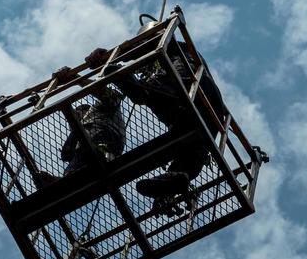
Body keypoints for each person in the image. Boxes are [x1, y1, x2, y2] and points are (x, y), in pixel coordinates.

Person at [85, 39, 225, 201]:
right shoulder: (179, 61)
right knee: (193, 148)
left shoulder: (174, 49)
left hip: (185, 85)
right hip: (208, 113)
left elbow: (148, 43)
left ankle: (132, 85)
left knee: (153, 91)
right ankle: (177, 177)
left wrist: (110, 57)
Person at [60, 86, 126, 175]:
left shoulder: (95, 112)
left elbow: (111, 96)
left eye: (78, 114)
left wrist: (79, 80)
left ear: (84, 111)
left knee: (87, 143)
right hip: (85, 152)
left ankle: (102, 154)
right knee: (73, 165)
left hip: (107, 141)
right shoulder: (78, 132)